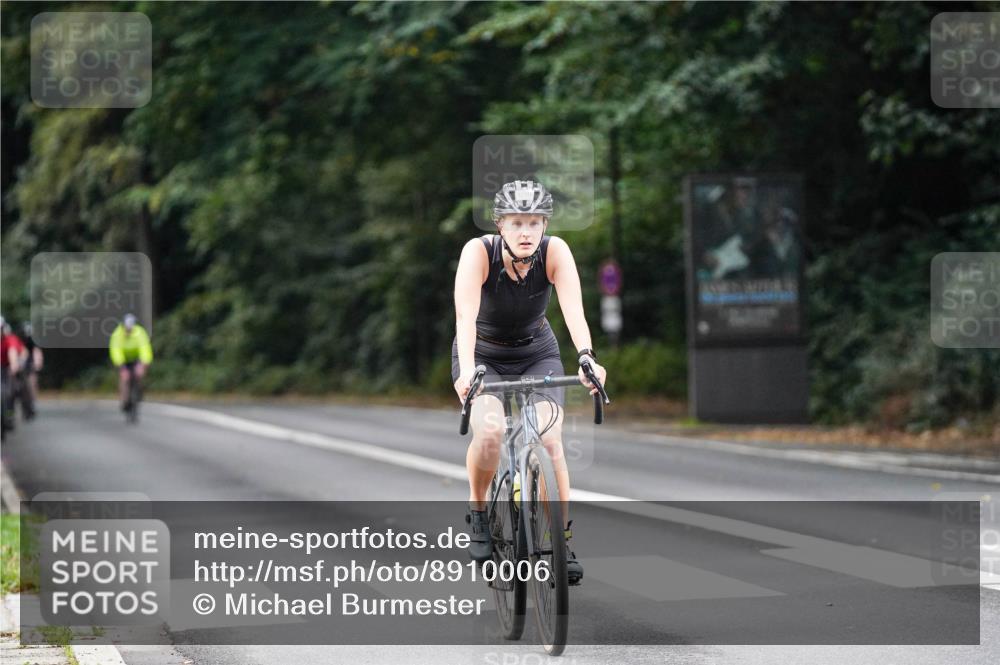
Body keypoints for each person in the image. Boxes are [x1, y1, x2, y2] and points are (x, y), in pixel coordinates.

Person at [452, 180, 608, 586]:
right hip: (483, 356)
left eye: (534, 223)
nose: (526, 232)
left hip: (537, 352)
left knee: (550, 440)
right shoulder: (478, 253)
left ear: (545, 225)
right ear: (500, 225)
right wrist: (467, 372)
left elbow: (573, 310)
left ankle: (560, 539)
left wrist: (587, 357)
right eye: (517, 223)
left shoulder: (555, 252)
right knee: (489, 433)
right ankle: (479, 511)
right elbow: (465, 318)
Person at [109, 313, 153, 410]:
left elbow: (145, 349)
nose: (129, 330)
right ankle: (124, 399)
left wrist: (143, 364)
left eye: (131, 328)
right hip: (123, 359)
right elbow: (116, 351)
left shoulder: (139, 332)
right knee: (124, 378)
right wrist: (122, 367)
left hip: (136, 357)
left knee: (139, 374)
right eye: (127, 328)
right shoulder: (117, 334)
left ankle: (139, 390)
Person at [1, 316, 26, 431]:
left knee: (9, 391)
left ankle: (9, 414)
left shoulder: (10, 339)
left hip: (6, 368)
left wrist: (14, 364)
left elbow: (12, 352)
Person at [19, 322, 42, 419]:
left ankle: (33, 403)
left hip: (30, 364)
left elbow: (37, 352)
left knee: (32, 383)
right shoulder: (19, 340)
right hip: (20, 364)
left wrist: (37, 363)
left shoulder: (33, 341)